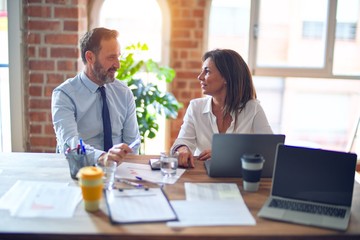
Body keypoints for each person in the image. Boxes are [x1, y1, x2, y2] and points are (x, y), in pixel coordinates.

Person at [51, 27, 140, 165]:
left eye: (118, 56)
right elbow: (69, 144)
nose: (118, 64)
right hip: (81, 171)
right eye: (111, 57)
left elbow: (133, 143)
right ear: (90, 57)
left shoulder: (124, 93)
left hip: (119, 171)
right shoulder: (64, 95)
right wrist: (102, 157)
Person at [171, 49, 273, 168]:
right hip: (203, 177)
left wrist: (227, 154)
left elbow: (271, 150)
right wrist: (182, 149)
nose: (200, 77)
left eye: (207, 71)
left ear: (226, 78)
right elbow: (183, 141)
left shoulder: (253, 108)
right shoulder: (196, 107)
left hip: (238, 180)